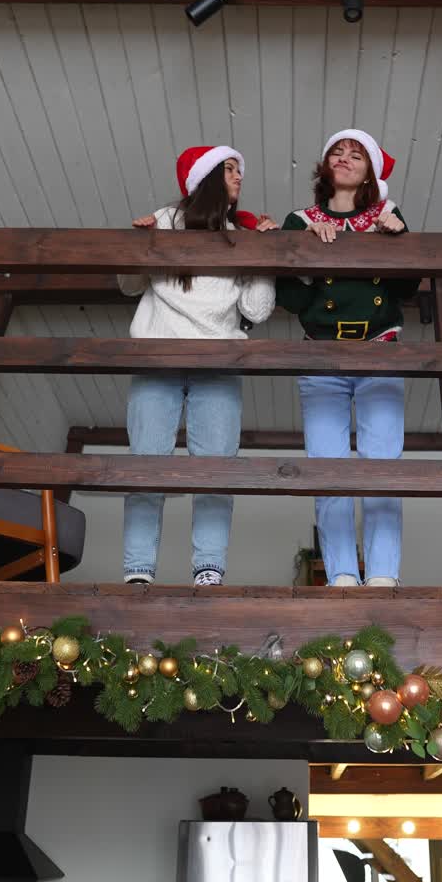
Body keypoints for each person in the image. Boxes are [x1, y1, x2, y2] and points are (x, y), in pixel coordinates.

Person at [118, 145, 276, 586]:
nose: (239, 176)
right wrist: (139, 244)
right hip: (157, 359)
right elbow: (129, 285)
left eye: (240, 170)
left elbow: (257, 310)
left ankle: (209, 568)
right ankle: (138, 570)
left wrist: (263, 255)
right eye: (229, 169)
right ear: (205, 178)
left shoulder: (241, 234)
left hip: (219, 364)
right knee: (146, 465)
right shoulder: (164, 220)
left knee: (216, 468)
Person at [277, 129, 420, 587]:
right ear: (325, 166)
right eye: (337, 152)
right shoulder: (300, 220)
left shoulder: (388, 215)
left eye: (356, 155)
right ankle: (340, 573)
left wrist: (396, 240)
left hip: (381, 350)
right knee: (327, 468)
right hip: (321, 354)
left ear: (370, 172)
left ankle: (383, 575)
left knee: (383, 466)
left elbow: (407, 289)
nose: (344, 158)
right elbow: (291, 301)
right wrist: (310, 253)